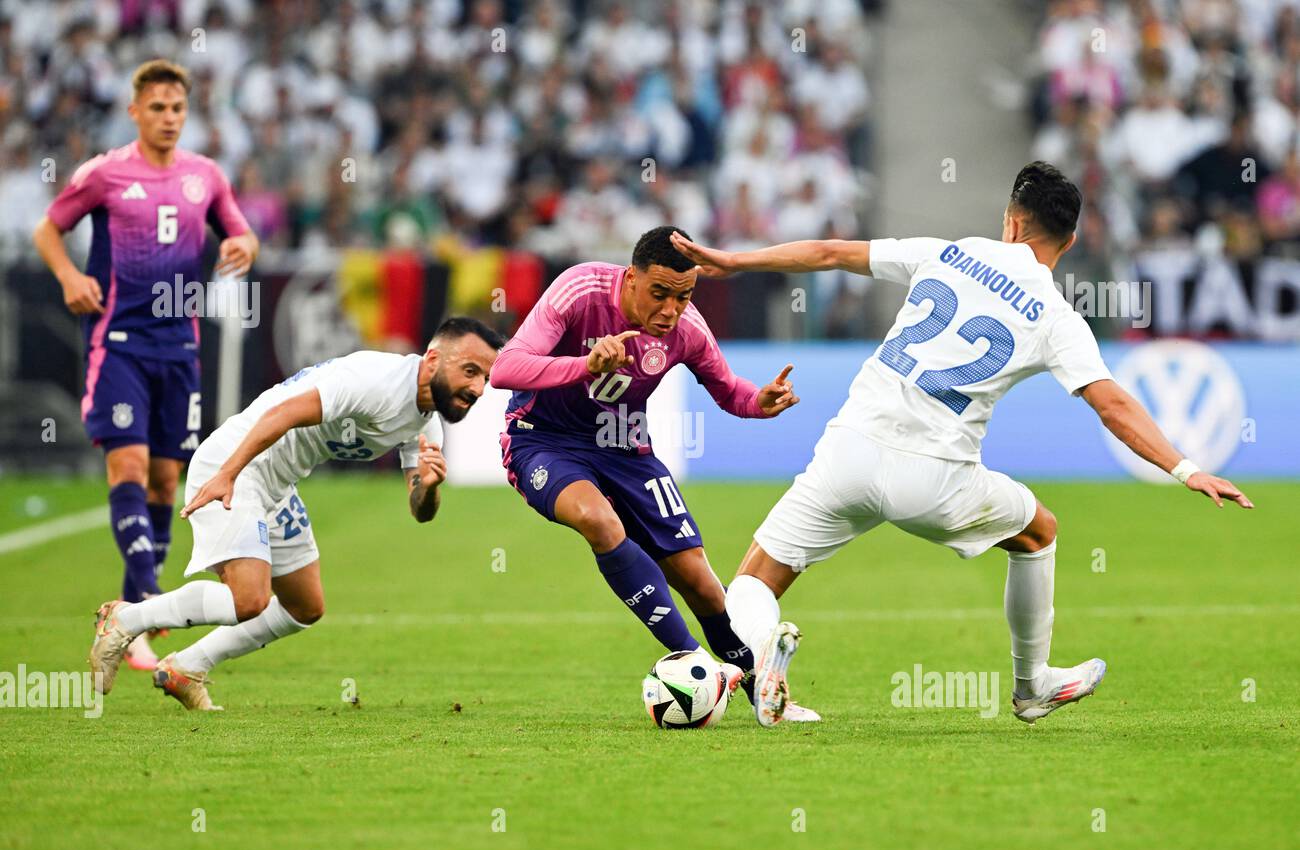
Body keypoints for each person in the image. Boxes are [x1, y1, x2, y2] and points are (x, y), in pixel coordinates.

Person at [669, 161, 1253, 727]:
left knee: (755, 578)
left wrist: (733, 260)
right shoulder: (1055, 316)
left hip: (849, 448)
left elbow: (829, 253)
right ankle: (1033, 685)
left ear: (1012, 222)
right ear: (1068, 242)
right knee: (1038, 531)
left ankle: (757, 652)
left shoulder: (950, 251)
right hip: (935, 477)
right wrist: (1184, 467)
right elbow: (1111, 403)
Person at [87, 318, 504, 710]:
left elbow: (419, 510)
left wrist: (429, 489)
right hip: (236, 465)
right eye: (470, 371)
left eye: (485, 377)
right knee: (249, 599)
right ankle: (126, 618)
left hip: (277, 484)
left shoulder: (426, 421)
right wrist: (227, 474)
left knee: (304, 606)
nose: (478, 388)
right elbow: (283, 413)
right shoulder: (375, 380)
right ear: (433, 358)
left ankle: (186, 667)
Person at [490, 225, 816, 719]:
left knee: (702, 583)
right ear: (631, 278)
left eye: (683, 297)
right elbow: (506, 368)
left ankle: (760, 694)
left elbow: (730, 391)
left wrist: (759, 402)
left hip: (626, 449)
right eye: (659, 293)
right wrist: (584, 365)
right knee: (599, 521)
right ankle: (705, 666)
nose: (670, 310)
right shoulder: (580, 290)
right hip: (544, 440)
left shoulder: (687, 329)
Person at [32, 59, 259, 671]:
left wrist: (242, 244)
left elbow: (241, 232)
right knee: (127, 463)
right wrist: (69, 275)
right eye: (156, 107)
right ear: (135, 111)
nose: (168, 118)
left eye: (177, 108)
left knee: (165, 481)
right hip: (120, 341)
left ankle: (131, 604)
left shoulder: (205, 176)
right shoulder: (105, 173)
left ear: (187, 113)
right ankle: (146, 606)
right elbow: (48, 230)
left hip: (179, 347)